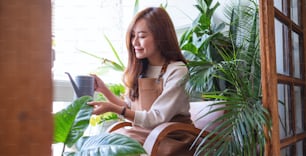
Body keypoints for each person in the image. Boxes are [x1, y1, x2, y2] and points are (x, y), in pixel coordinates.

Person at [87, 7, 194, 156]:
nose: (134, 42)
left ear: (160, 37)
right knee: (104, 143)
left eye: (142, 36)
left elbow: (155, 118)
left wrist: (112, 108)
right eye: (132, 36)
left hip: (170, 139)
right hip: (146, 136)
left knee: (115, 145)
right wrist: (103, 90)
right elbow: (129, 108)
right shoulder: (142, 69)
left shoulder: (177, 70)